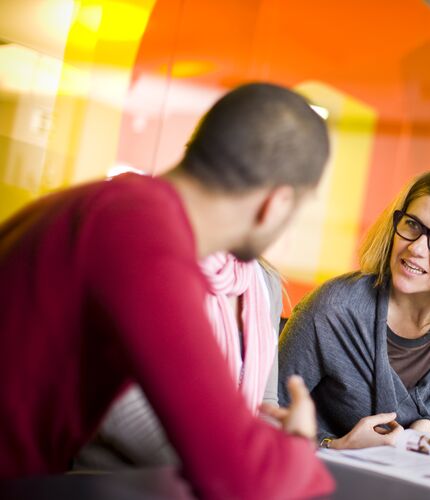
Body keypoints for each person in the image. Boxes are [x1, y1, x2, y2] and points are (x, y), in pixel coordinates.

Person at [0, 83, 333, 499]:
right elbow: (241, 480)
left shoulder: (118, 210)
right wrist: (298, 443)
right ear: (277, 203)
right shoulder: (143, 240)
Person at [279, 169, 430, 449]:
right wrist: (336, 446)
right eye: (412, 225)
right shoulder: (332, 309)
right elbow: (260, 417)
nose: (416, 248)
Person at [76, 254, 284, 467]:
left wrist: (276, 459)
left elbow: (265, 404)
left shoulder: (266, 282)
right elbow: (116, 400)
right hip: (124, 479)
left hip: (222, 479)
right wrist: (220, 473)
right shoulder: (152, 260)